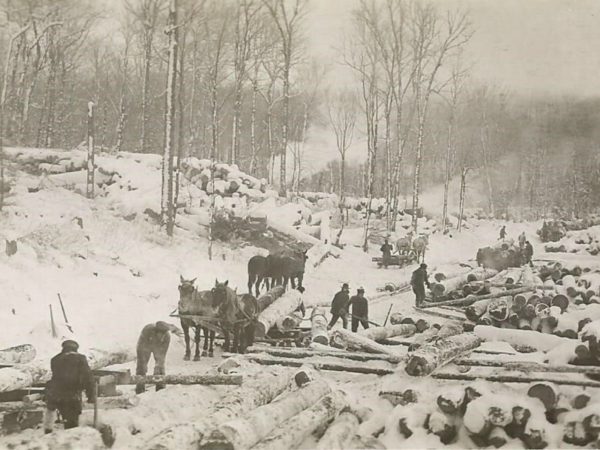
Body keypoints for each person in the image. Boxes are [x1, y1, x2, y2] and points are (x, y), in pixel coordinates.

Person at [44, 340, 94, 434]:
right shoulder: (80, 358)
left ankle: (48, 437)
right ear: (76, 349)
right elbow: (88, 377)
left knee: (51, 420)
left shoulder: (55, 359)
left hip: (55, 395)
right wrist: (91, 396)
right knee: (71, 425)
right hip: (71, 395)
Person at [136, 321, 180, 394]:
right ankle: (140, 388)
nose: (162, 336)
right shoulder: (147, 330)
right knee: (141, 366)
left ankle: (160, 388)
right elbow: (141, 349)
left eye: (164, 334)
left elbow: (162, 355)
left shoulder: (167, 337)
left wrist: (158, 365)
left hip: (158, 347)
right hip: (145, 344)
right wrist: (143, 363)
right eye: (161, 334)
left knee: (160, 367)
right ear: (156, 332)